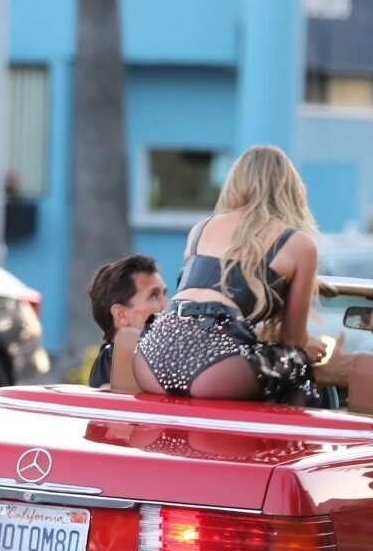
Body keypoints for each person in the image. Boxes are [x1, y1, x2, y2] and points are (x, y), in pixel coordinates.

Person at [133, 145, 326, 404]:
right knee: (297, 365)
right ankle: (294, 432)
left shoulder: (200, 229)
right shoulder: (298, 243)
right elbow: (292, 338)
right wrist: (308, 345)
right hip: (218, 363)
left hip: (153, 354)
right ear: (290, 190)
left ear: (235, 183)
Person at [85, 254, 168, 388]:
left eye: (164, 294)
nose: (167, 304)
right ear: (121, 315)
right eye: (153, 296)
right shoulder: (122, 366)